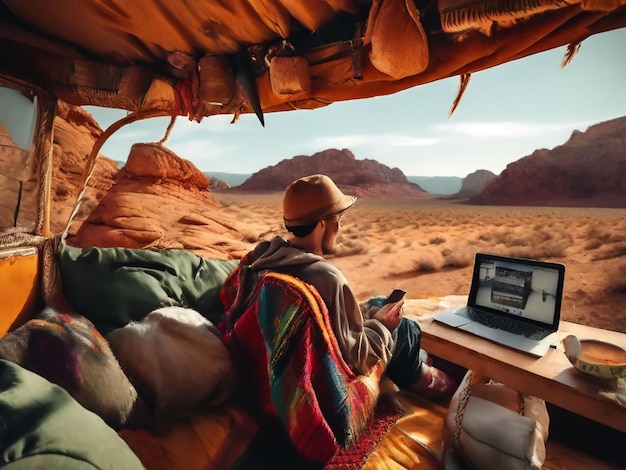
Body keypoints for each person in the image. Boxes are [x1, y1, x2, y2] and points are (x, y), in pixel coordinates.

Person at [231, 174, 455, 400]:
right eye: (337, 219)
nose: (339, 226)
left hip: (286, 357)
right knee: (405, 329)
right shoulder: (326, 278)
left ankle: (416, 360)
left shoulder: (263, 258)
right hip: (327, 374)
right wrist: (384, 326)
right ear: (322, 224)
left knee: (377, 304)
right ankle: (425, 379)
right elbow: (357, 358)